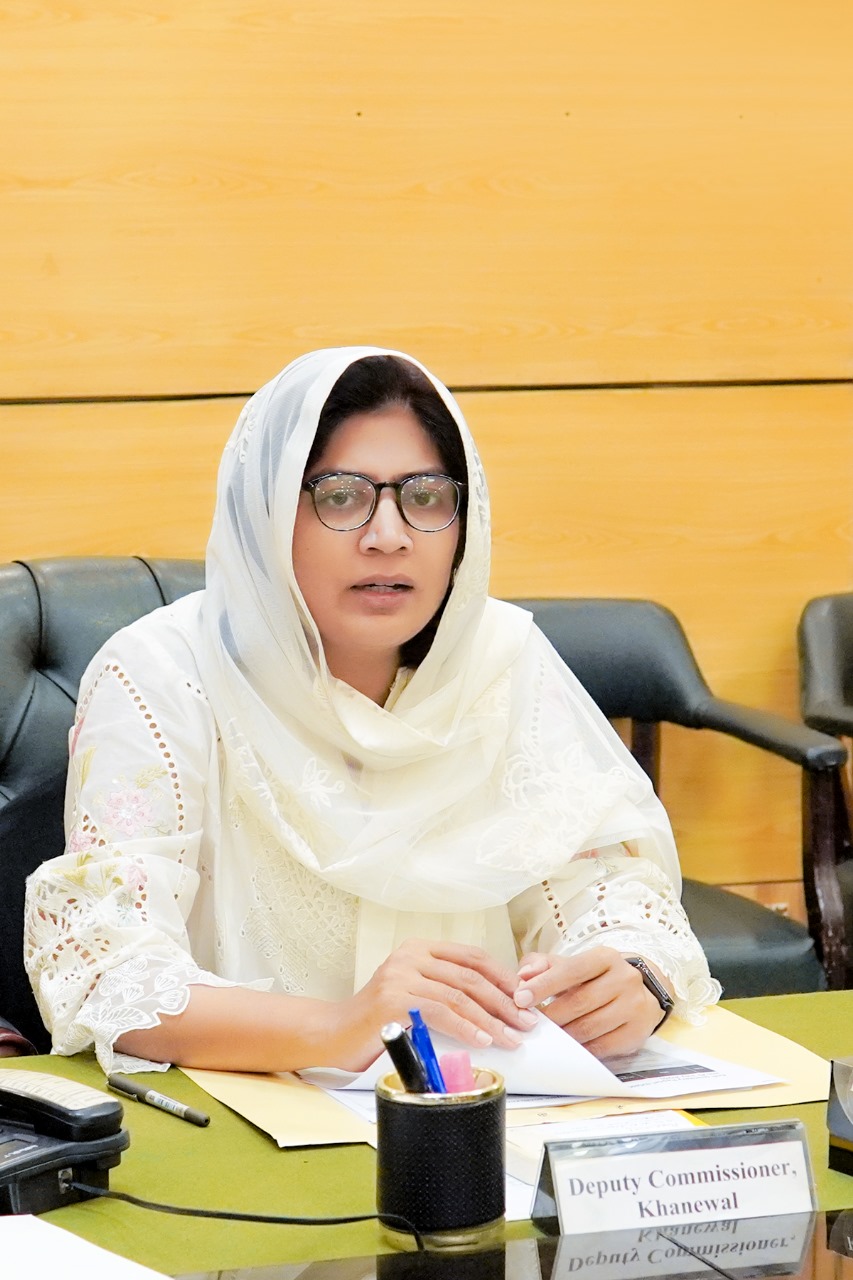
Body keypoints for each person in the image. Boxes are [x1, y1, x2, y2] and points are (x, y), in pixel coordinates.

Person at [24, 347, 720, 1078]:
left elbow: (601, 885)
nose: (389, 535)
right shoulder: (163, 675)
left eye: (426, 497)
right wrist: (344, 1026)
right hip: (242, 1108)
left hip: (476, 1107)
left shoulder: (500, 664)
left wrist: (630, 974)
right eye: (340, 497)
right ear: (268, 515)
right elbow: (106, 970)